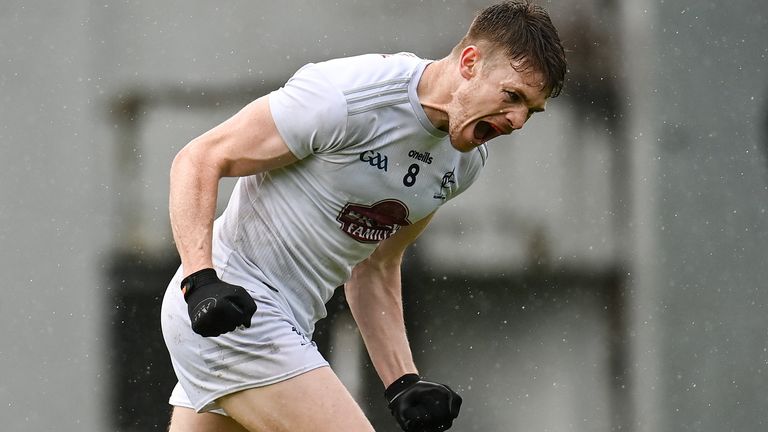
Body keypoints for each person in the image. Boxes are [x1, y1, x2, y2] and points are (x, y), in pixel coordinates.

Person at [160, 1, 567, 431]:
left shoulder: (462, 164)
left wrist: (401, 382)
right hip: (232, 312)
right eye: (512, 96)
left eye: (531, 110)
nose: (518, 120)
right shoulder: (345, 97)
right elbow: (200, 159)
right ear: (470, 63)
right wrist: (200, 281)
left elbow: (374, 266)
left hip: (280, 325)